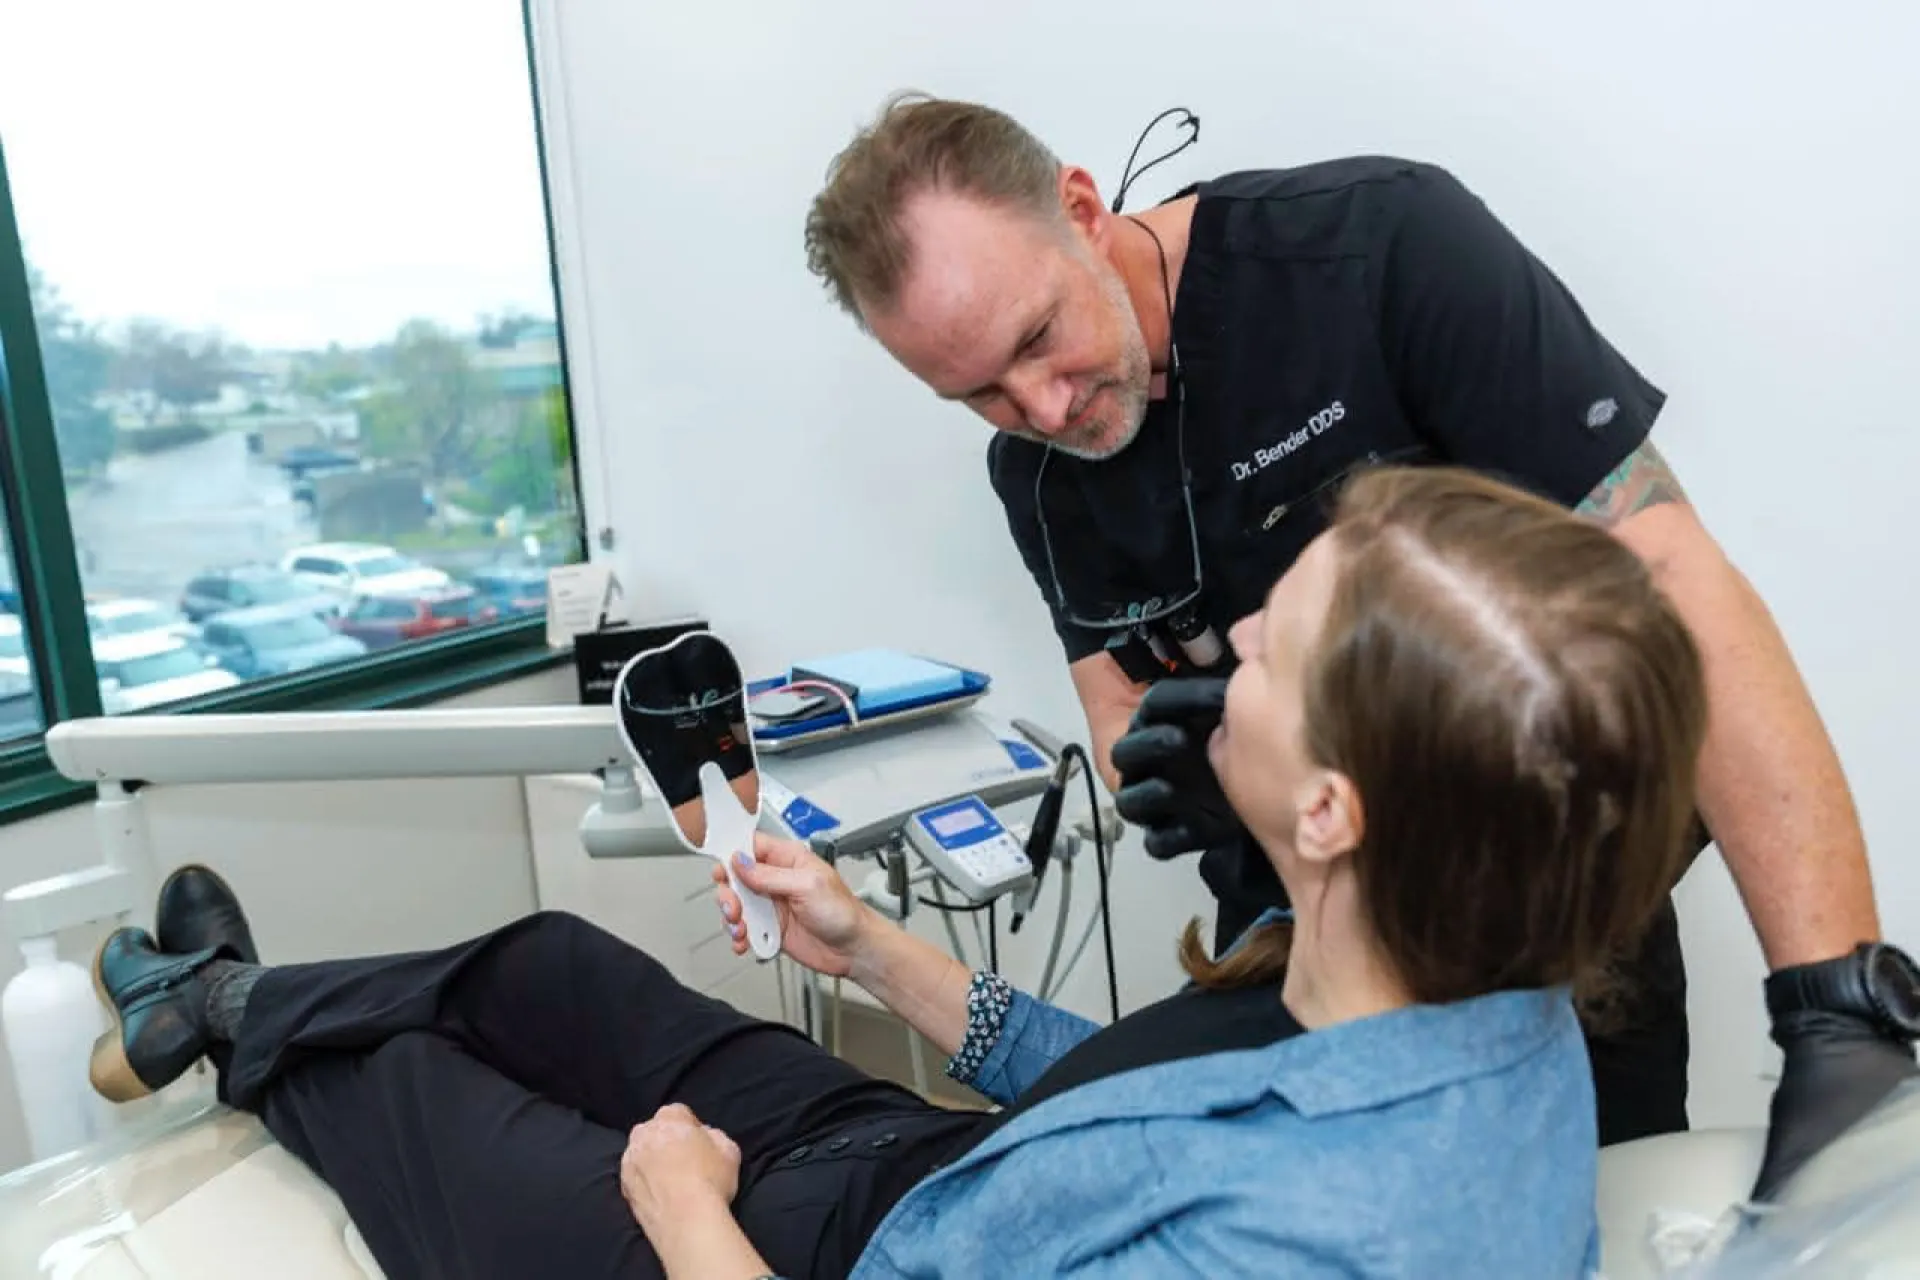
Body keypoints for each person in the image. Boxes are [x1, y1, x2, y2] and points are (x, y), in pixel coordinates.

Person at [92, 466, 1706, 1279]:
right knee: (550, 964)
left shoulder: (1308, 1241)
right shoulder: (1462, 978)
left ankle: (221, 1010)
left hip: (791, 1251)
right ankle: (217, 1000)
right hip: (932, 1172)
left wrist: (683, 1208)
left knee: (414, 1080)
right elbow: (1142, 1109)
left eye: (1276, 649)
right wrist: (867, 946)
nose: (1234, 644)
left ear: (1336, 809)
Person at [800, 92, 1919, 1194]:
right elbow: (1117, 718)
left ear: (1083, 210)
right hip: (1296, 958)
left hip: (1548, 927)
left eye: (1039, 338)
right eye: (980, 395)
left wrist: (1834, 1002)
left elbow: (1671, 584)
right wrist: (1189, 771)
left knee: (1590, 1207)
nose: (1043, 411)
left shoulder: (1375, 251)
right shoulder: (1041, 479)